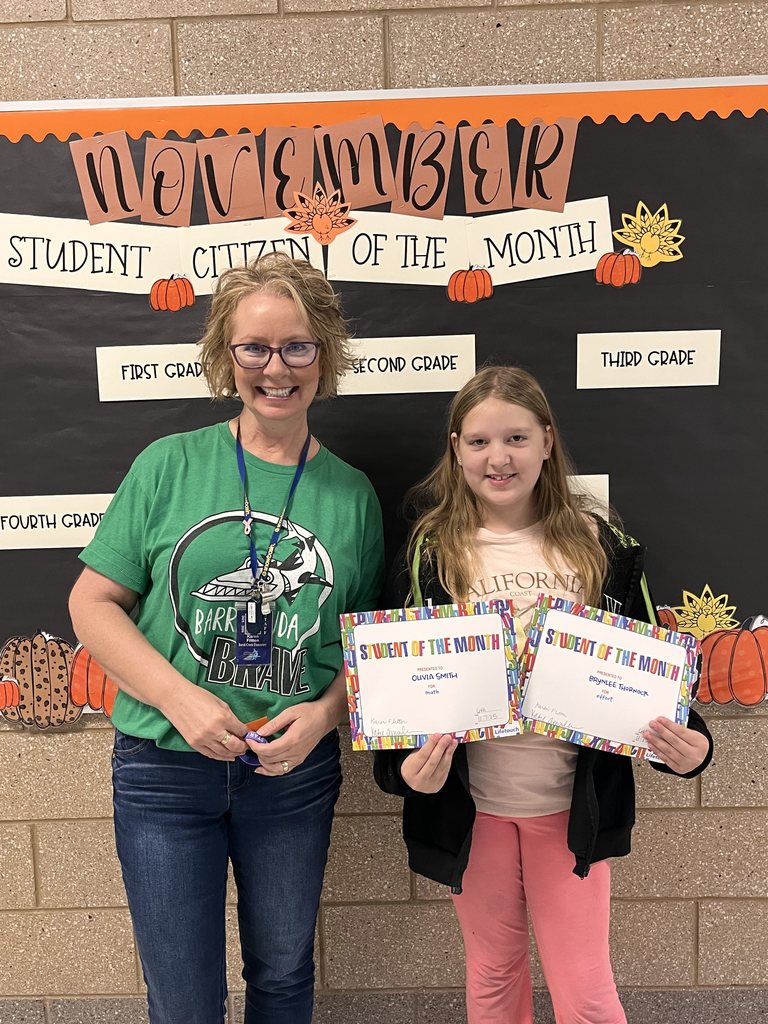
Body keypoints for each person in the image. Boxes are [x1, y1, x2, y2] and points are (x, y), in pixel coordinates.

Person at [69, 252, 385, 1024]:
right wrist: (182, 701)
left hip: (291, 776)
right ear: (225, 355)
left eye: (298, 347)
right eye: (255, 348)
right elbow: (92, 604)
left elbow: (367, 650)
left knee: (282, 975)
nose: (276, 369)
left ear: (326, 355)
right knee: (183, 1000)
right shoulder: (168, 467)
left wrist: (322, 717)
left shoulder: (352, 496)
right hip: (163, 773)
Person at [374, 366, 712, 1024]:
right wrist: (403, 769)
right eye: (478, 442)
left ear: (548, 442)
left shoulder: (602, 545)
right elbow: (398, 689)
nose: (498, 458)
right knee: (494, 979)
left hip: (570, 807)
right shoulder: (428, 551)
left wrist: (690, 746)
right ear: (455, 448)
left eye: (517, 438)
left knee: (584, 987)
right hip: (474, 809)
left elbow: (648, 671)